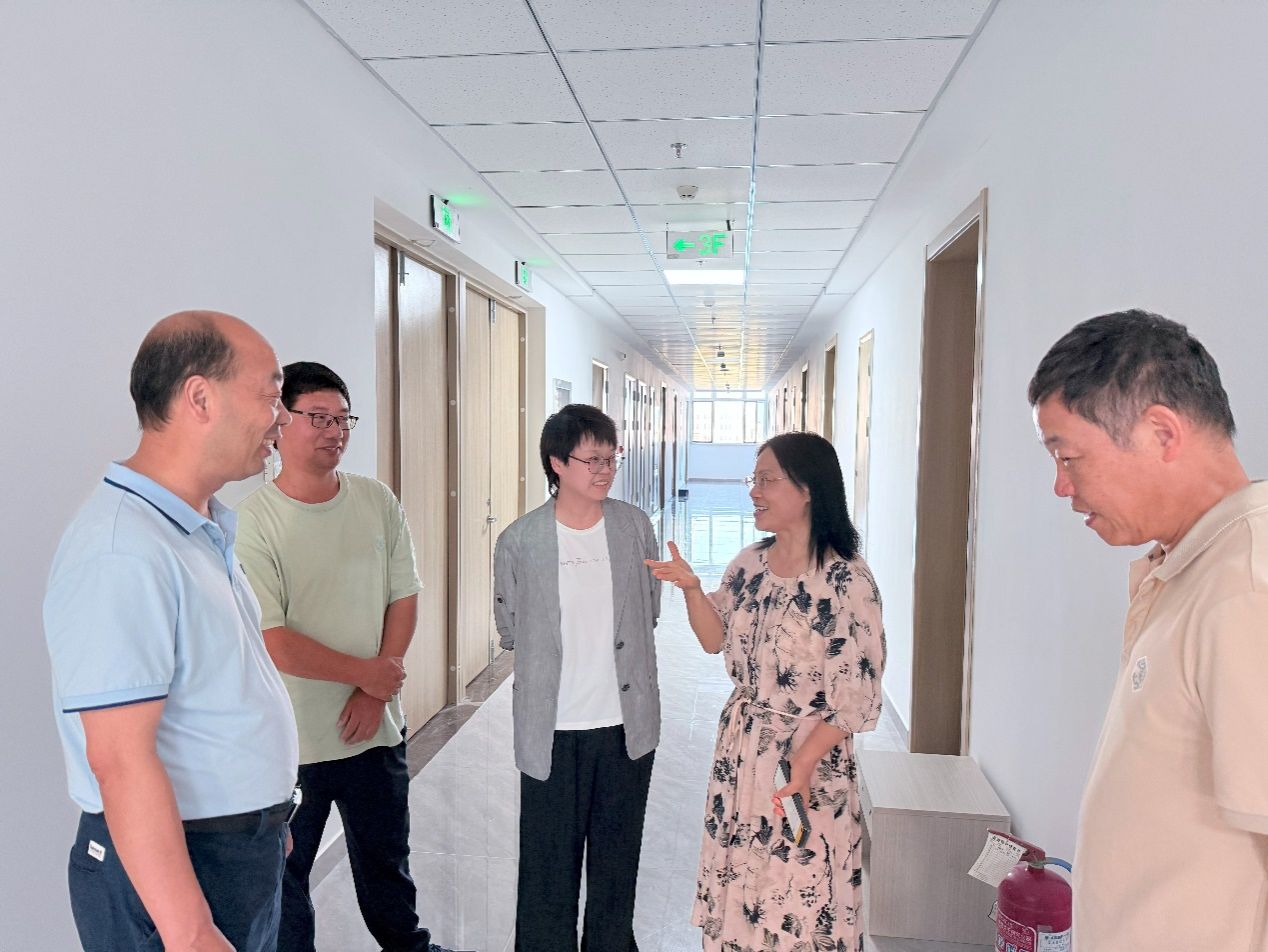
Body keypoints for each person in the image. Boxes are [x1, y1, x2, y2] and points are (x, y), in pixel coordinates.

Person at [43, 311, 300, 952]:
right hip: (173, 877)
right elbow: (120, 760)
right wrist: (189, 931)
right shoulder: (121, 549)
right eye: (271, 396)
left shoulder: (194, 528)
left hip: (229, 852)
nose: (282, 419)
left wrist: (265, 817)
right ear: (200, 398)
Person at [1029, 309, 1268, 949]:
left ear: (1161, 432)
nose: (1060, 487)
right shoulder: (1190, 565)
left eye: (1069, 457)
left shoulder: (1247, 588)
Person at [235, 362, 456, 952]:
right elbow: (274, 638)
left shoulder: (376, 500)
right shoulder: (253, 521)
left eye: (342, 419)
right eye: (318, 418)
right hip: (294, 743)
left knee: (388, 866)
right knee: (286, 882)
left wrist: (373, 692)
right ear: (280, 422)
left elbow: (403, 594)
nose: (334, 431)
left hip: (374, 731)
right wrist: (369, 676)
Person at [647, 431, 886, 952]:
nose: (754, 492)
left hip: (809, 760)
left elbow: (858, 698)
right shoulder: (749, 564)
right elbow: (714, 640)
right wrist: (692, 589)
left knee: (799, 890)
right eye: (752, 480)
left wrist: (800, 765)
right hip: (743, 750)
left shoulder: (846, 581)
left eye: (767, 480)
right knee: (743, 881)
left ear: (808, 489)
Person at [493, 403, 661, 951]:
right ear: (557, 463)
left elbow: (648, 610)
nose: (605, 470)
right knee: (547, 869)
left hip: (624, 726)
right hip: (553, 729)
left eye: (611, 459)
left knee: (616, 865)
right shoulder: (520, 540)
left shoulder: (634, 527)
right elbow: (510, 625)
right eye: (593, 460)